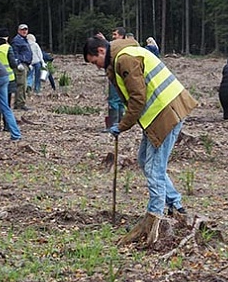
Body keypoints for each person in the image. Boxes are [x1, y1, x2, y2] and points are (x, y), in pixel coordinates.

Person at [83, 35, 198, 243]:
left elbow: (138, 98)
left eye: (94, 62)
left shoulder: (124, 59)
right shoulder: (120, 57)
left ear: (101, 51)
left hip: (166, 112)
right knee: (145, 161)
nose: (96, 67)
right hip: (160, 112)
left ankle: (154, 218)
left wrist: (123, 125)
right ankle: (176, 205)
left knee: (155, 168)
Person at [11, 23, 32, 110]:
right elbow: (15, 53)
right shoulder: (17, 40)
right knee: (21, 85)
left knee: (23, 85)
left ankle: (18, 103)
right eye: (22, 30)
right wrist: (18, 63)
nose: (24, 31)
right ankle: (20, 104)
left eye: (26, 30)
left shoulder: (24, 40)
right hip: (21, 65)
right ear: (18, 31)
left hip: (25, 64)